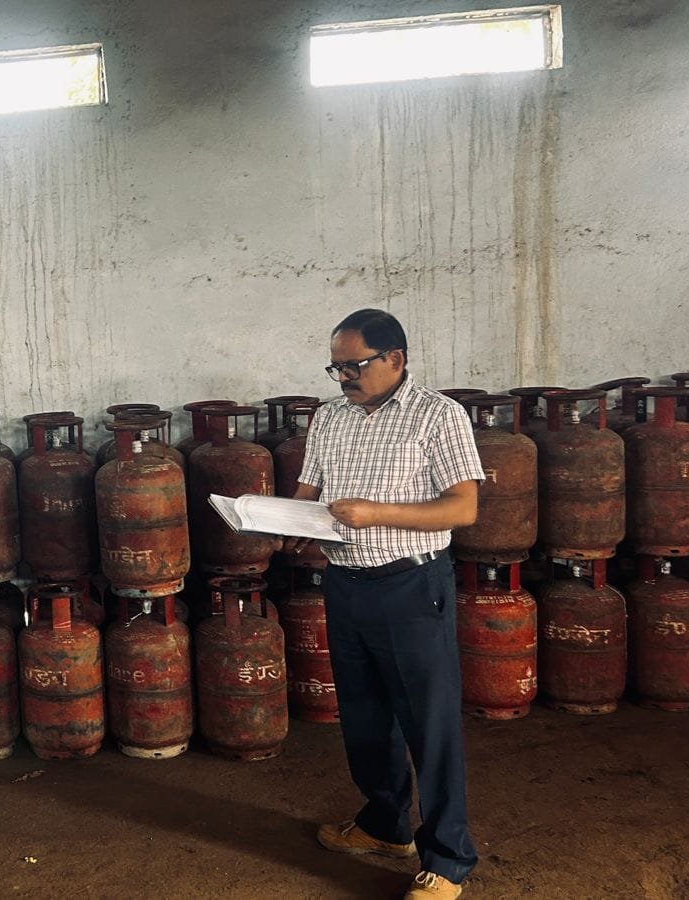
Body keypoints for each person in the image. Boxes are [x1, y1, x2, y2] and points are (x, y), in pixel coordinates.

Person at [283, 309, 483, 899]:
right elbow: (309, 491)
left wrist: (375, 514)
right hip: (345, 583)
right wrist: (282, 520)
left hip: (411, 586)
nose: (344, 377)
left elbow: (462, 508)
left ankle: (448, 859)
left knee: (429, 721)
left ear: (395, 358)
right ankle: (385, 824)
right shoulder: (330, 417)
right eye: (336, 367)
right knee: (364, 714)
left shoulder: (438, 416)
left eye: (354, 365)